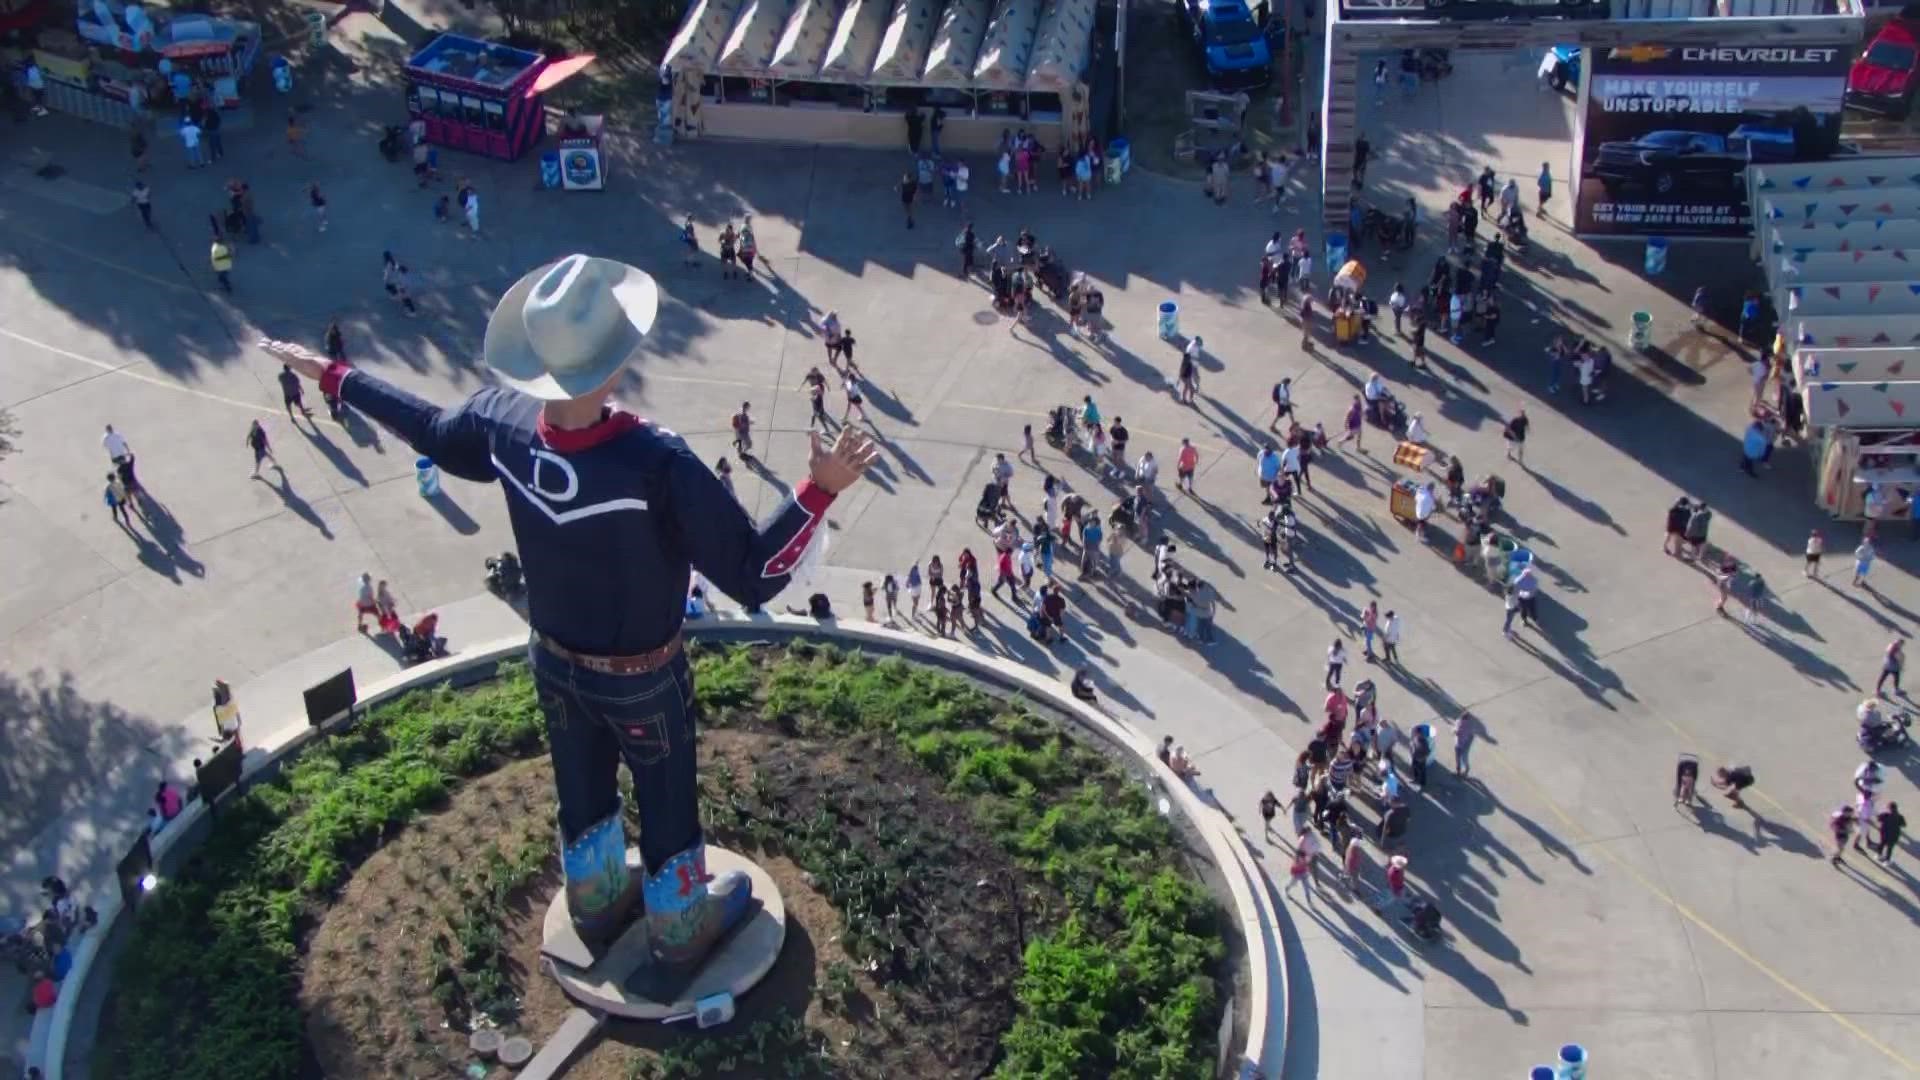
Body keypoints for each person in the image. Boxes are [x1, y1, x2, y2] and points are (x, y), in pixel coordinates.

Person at [261, 255, 880, 979]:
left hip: (553, 662)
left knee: (581, 788)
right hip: (642, 679)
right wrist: (818, 490)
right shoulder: (656, 463)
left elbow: (430, 429)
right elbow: (753, 575)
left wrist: (335, 376)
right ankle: (680, 927)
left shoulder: (504, 423)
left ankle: (595, 900)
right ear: (616, 365)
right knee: (667, 797)